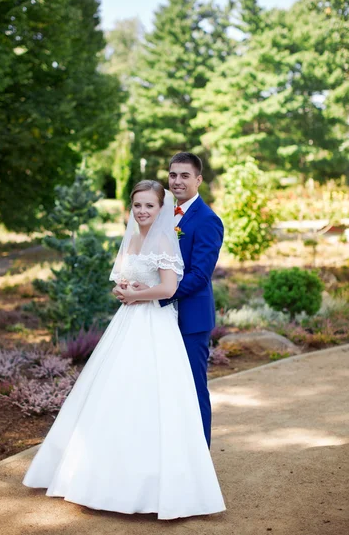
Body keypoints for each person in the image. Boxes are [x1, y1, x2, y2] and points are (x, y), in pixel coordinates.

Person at [23, 179, 226, 520]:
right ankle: (104, 476)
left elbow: (168, 286)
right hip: (127, 323)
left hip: (155, 325)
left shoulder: (164, 238)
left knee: (153, 396)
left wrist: (135, 294)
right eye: (137, 205)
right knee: (115, 394)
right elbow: (124, 276)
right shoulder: (132, 237)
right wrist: (123, 288)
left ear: (161, 209)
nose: (142, 211)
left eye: (149, 205)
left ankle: (157, 484)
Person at [121, 153, 224, 448]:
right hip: (157, 320)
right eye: (173, 175)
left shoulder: (207, 220)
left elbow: (199, 276)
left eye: (184, 175)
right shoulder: (162, 211)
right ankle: (169, 453)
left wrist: (155, 293)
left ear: (198, 180)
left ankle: (199, 456)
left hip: (190, 319)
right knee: (161, 390)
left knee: (192, 388)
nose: (177, 181)